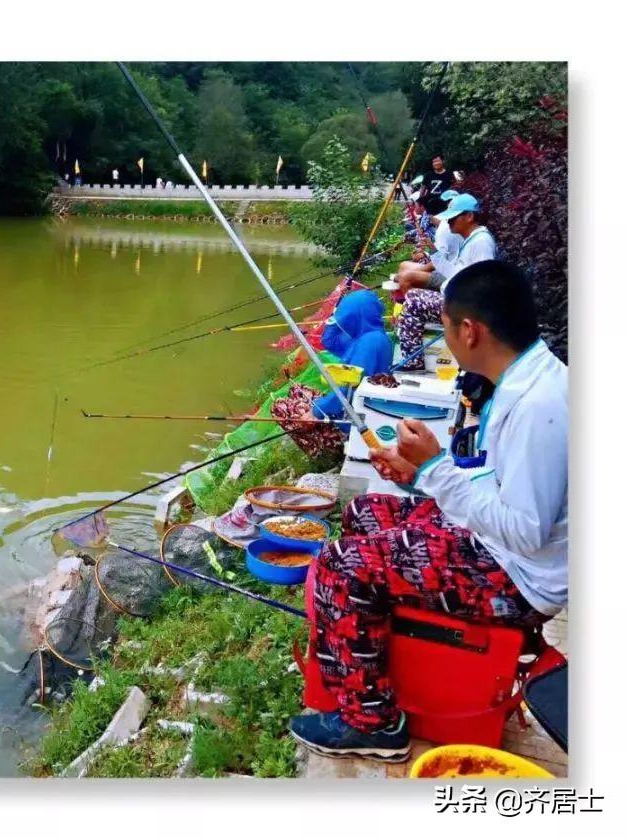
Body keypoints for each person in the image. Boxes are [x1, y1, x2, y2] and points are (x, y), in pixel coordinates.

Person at [289, 260, 567, 762]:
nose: (443, 333)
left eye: (445, 324)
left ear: (470, 331)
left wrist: (435, 469)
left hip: (515, 577)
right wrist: (418, 474)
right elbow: (495, 483)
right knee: (368, 513)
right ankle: (390, 659)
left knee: (339, 564)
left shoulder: (540, 406)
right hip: (495, 546)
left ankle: (372, 723)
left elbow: (525, 531)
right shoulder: (525, 378)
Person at [272, 290, 393, 458]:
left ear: (354, 317)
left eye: (346, 316)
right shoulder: (370, 336)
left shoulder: (369, 345)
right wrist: (332, 320)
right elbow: (329, 341)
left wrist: (316, 412)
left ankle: (321, 451)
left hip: (351, 420)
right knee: (296, 390)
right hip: (351, 403)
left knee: (279, 407)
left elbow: (350, 388)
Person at [397, 193, 497, 371]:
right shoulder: (470, 240)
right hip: (457, 298)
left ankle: (413, 361)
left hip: (467, 308)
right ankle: (414, 356)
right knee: (413, 296)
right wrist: (434, 252)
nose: (449, 222)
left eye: (453, 218)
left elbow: (483, 282)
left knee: (413, 298)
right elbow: (456, 272)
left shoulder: (481, 242)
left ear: (469, 216)